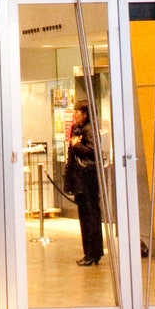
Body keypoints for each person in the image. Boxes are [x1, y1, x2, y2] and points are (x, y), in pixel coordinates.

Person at [61, 102, 106, 266]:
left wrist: (76, 145)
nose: (75, 115)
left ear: (85, 114)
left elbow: (93, 151)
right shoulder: (77, 129)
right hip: (79, 178)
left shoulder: (89, 130)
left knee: (91, 215)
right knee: (84, 216)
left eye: (77, 112)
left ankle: (93, 252)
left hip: (88, 179)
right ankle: (89, 252)